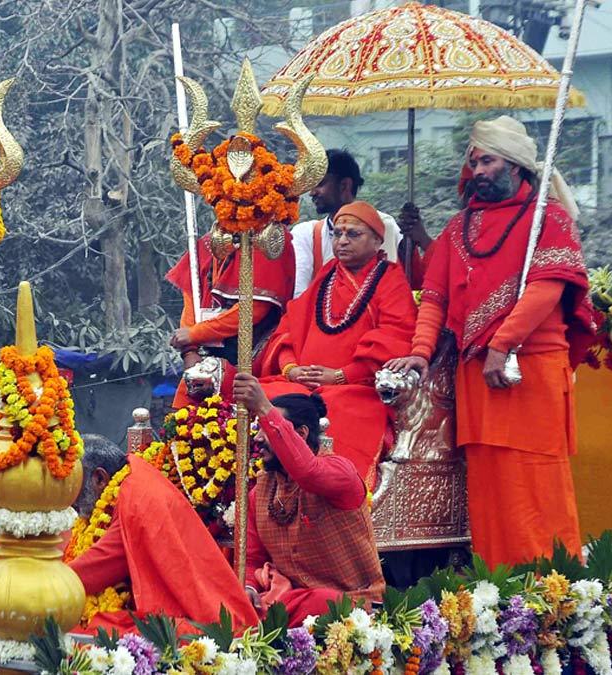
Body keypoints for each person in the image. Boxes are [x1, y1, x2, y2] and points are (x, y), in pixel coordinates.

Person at [385, 115, 595, 568]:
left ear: (516, 165)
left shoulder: (550, 219)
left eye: (488, 161)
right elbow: (435, 301)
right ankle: (504, 595)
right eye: (474, 162)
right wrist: (420, 354)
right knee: (489, 488)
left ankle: (553, 587)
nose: (478, 171)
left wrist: (503, 344)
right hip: (477, 375)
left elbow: (547, 288)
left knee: (536, 484)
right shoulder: (458, 231)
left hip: (529, 368)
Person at [256, 201, 417, 488]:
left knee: (336, 408)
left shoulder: (390, 279)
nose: (342, 241)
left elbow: (396, 338)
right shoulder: (327, 274)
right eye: (338, 234)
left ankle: (331, 494)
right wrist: (291, 369)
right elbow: (289, 329)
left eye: (353, 234)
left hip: (357, 388)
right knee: (267, 395)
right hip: (302, 382)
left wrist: (340, 375)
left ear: (378, 239)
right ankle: (253, 490)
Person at [64, 434, 258, 633]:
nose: (70, 499)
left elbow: (105, 561)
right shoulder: (131, 479)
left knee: (98, 632)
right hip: (184, 601)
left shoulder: (136, 498)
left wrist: (51, 582)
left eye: (73, 485)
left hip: (195, 615)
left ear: (100, 479)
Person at [233, 375, 385, 625]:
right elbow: (252, 560)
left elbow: (308, 473)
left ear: (301, 433)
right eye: (258, 429)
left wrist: (263, 408)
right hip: (286, 600)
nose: (258, 438)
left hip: (352, 604)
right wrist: (249, 587)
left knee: (321, 602)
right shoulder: (259, 492)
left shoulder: (340, 472)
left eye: (266, 429)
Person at [166, 223, 296, 408]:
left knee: (241, 419)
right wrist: (190, 350)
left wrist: (196, 334)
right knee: (187, 423)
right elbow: (191, 296)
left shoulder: (269, 238)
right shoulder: (209, 240)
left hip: (251, 354)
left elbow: (254, 309)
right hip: (202, 356)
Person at [290, 149, 431, 293]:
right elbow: (298, 295)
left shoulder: (387, 226)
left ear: (345, 185)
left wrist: (415, 244)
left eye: (320, 184)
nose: (312, 192)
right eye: (338, 234)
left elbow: (413, 283)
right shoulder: (307, 234)